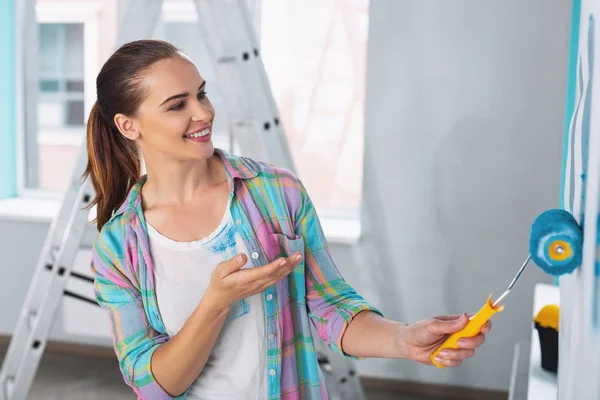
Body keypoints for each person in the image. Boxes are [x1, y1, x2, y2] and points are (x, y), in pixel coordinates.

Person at [86, 40, 491, 400]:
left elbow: (331, 306)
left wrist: (405, 340)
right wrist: (216, 302)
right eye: (177, 105)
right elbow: (156, 385)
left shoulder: (275, 192)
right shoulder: (119, 246)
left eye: (202, 94)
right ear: (128, 125)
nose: (203, 113)